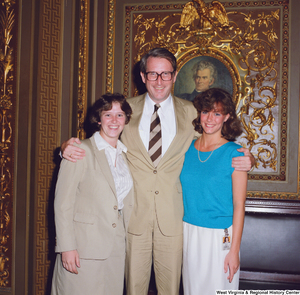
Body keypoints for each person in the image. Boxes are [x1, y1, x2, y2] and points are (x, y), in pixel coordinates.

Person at [61, 48, 253, 295]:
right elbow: (101, 140)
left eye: (165, 74)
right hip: (134, 219)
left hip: (174, 222)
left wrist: (248, 156)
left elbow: (218, 141)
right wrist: (66, 147)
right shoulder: (125, 110)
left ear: (174, 76)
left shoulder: (193, 112)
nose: (159, 81)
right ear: (143, 77)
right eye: (153, 74)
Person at [51, 93, 134, 295]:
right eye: (108, 115)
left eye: (120, 115)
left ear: (126, 120)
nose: (114, 121)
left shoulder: (126, 156)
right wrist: (66, 247)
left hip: (116, 246)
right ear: (98, 119)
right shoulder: (80, 150)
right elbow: (62, 203)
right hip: (83, 247)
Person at [180, 88, 247, 294]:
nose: (210, 119)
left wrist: (234, 251)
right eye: (205, 111)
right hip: (188, 232)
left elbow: (239, 205)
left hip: (220, 235)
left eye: (217, 113)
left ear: (226, 117)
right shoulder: (187, 148)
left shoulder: (235, 153)